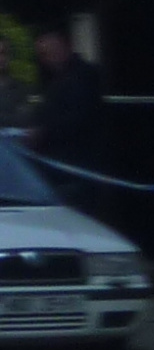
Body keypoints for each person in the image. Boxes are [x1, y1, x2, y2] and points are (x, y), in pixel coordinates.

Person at [27, 24, 107, 216]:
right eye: (43, 55)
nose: (47, 59)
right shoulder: (54, 81)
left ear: (63, 46)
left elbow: (78, 118)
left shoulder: (84, 76)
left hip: (77, 167)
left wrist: (44, 132)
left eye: (49, 52)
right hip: (57, 168)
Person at [0, 36, 34, 131]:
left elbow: (25, 118)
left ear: (9, 56)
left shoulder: (21, 89)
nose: (1, 58)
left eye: (3, 53)